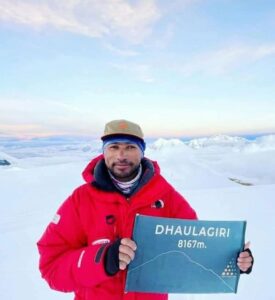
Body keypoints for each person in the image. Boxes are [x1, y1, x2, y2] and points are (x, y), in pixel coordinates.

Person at [37, 119, 253, 300]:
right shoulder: (81, 200)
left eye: (130, 147)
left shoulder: (166, 197)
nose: (121, 155)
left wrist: (230, 259)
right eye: (114, 147)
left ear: (142, 152)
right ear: (104, 152)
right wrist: (101, 260)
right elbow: (52, 268)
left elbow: (195, 249)